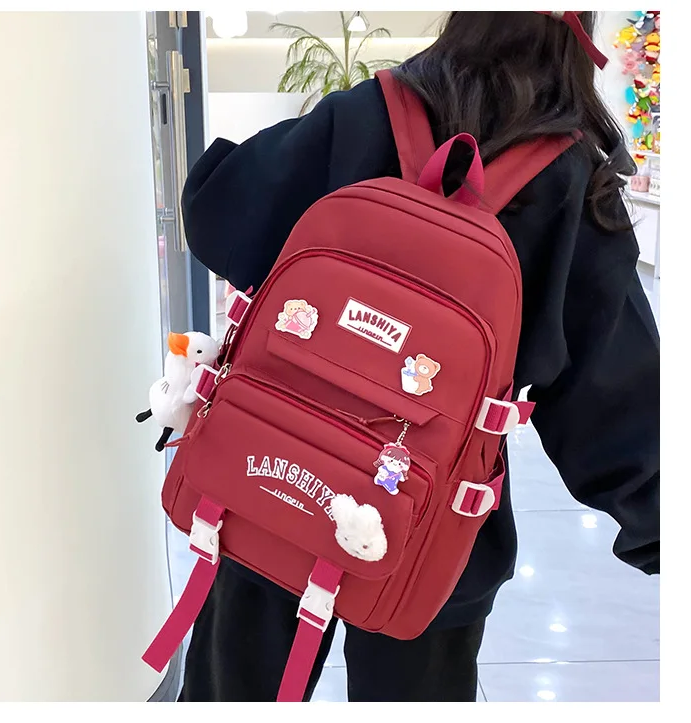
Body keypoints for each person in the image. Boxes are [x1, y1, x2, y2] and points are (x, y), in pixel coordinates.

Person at [176, 11, 660, 702]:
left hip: (273, 476)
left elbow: (220, 213)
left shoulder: (367, 112)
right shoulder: (572, 177)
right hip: (434, 528)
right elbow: (618, 404)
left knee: (238, 686)